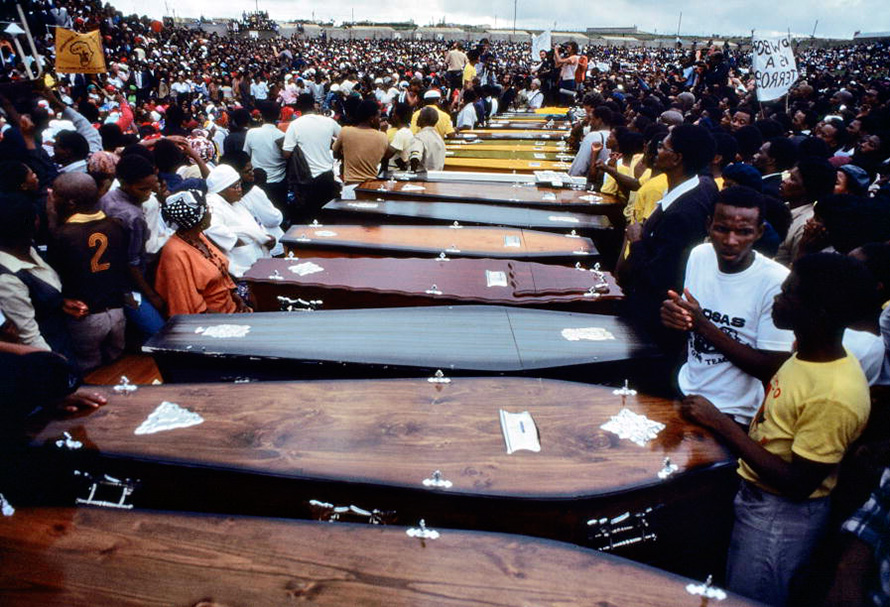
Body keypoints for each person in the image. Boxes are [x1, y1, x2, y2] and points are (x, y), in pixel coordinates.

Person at [678, 252, 877, 607]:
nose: (776, 298)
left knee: (750, 597)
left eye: (788, 293)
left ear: (819, 312)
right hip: (757, 499)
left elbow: (798, 483)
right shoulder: (804, 355)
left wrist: (720, 422)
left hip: (780, 520)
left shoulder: (836, 394)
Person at [661, 187, 794, 425]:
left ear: (759, 232)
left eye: (744, 232)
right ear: (708, 225)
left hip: (734, 414)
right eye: (722, 229)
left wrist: (703, 326)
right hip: (685, 391)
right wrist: (675, 317)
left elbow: (772, 369)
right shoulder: (699, 256)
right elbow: (688, 325)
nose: (730, 241)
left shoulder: (776, 281)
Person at [620, 124, 719, 347]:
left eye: (662, 147)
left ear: (676, 158)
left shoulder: (683, 214)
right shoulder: (701, 185)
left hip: (656, 322)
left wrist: (636, 241)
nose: (656, 152)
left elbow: (659, 279)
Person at [48, 173, 130, 373]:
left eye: (55, 194)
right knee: (117, 367)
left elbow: (53, 275)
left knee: (91, 371)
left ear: (70, 203)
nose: (51, 197)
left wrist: (52, 221)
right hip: (117, 312)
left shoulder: (62, 235)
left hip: (85, 317)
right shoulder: (117, 225)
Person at [0, 193, 77, 361]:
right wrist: (57, 364)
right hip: (48, 352)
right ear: (35, 222)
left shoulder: (28, 248)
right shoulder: (6, 278)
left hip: (61, 338)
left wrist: (59, 302)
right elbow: (29, 336)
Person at [155, 190, 251, 315]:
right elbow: (189, 304)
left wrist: (238, 300)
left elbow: (221, 273)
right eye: (207, 209)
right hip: (211, 319)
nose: (210, 212)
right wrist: (231, 319)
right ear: (198, 219)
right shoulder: (175, 253)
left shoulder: (198, 236)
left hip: (230, 309)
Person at [100, 154, 167, 335]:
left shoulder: (107, 198)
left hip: (109, 277)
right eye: (143, 189)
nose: (148, 194)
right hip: (128, 286)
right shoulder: (133, 217)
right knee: (158, 332)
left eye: (151, 188)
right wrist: (151, 295)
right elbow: (133, 263)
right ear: (124, 183)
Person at [204, 164, 275, 278]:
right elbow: (212, 228)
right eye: (235, 187)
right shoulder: (212, 203)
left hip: (257, 260)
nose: (240, 189)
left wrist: (264, 237)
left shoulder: (235, 202)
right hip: (240, 266)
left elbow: (253, 223)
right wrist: (238, 241)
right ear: (221, 190)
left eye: (239, 185)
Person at [282, 93, 341, 221]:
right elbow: (343, 137)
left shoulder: (295, 124)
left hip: (305, 179)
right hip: (326, 176)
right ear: (314, 105)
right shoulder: (328, 121)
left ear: (298, 108)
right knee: (326, 217)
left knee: (308, 218)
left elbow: (286, 153)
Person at [243, 100, 287, 211]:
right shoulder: (282, 136)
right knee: (279, 213)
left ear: (261, 115)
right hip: (278, 183)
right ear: (279, 116)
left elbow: (246, 155)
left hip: (257, 183)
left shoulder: (251, 133)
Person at [332, 99, 390, 184]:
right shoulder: (382, 136)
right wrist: (384, 131)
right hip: (370, 185)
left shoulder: (345, 131)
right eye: (378, 116)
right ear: (372, 118)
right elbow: (386, 156)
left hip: (349, 184)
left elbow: (335, 153)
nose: (379, 119)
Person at [409, 107, 446, 172]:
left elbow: (415, 158)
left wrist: (412, 172)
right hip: (438, 175)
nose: (417, 118)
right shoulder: (439, 138)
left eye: (419, 116)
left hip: (422, 176)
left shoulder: (419, 137)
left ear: (423, 120)